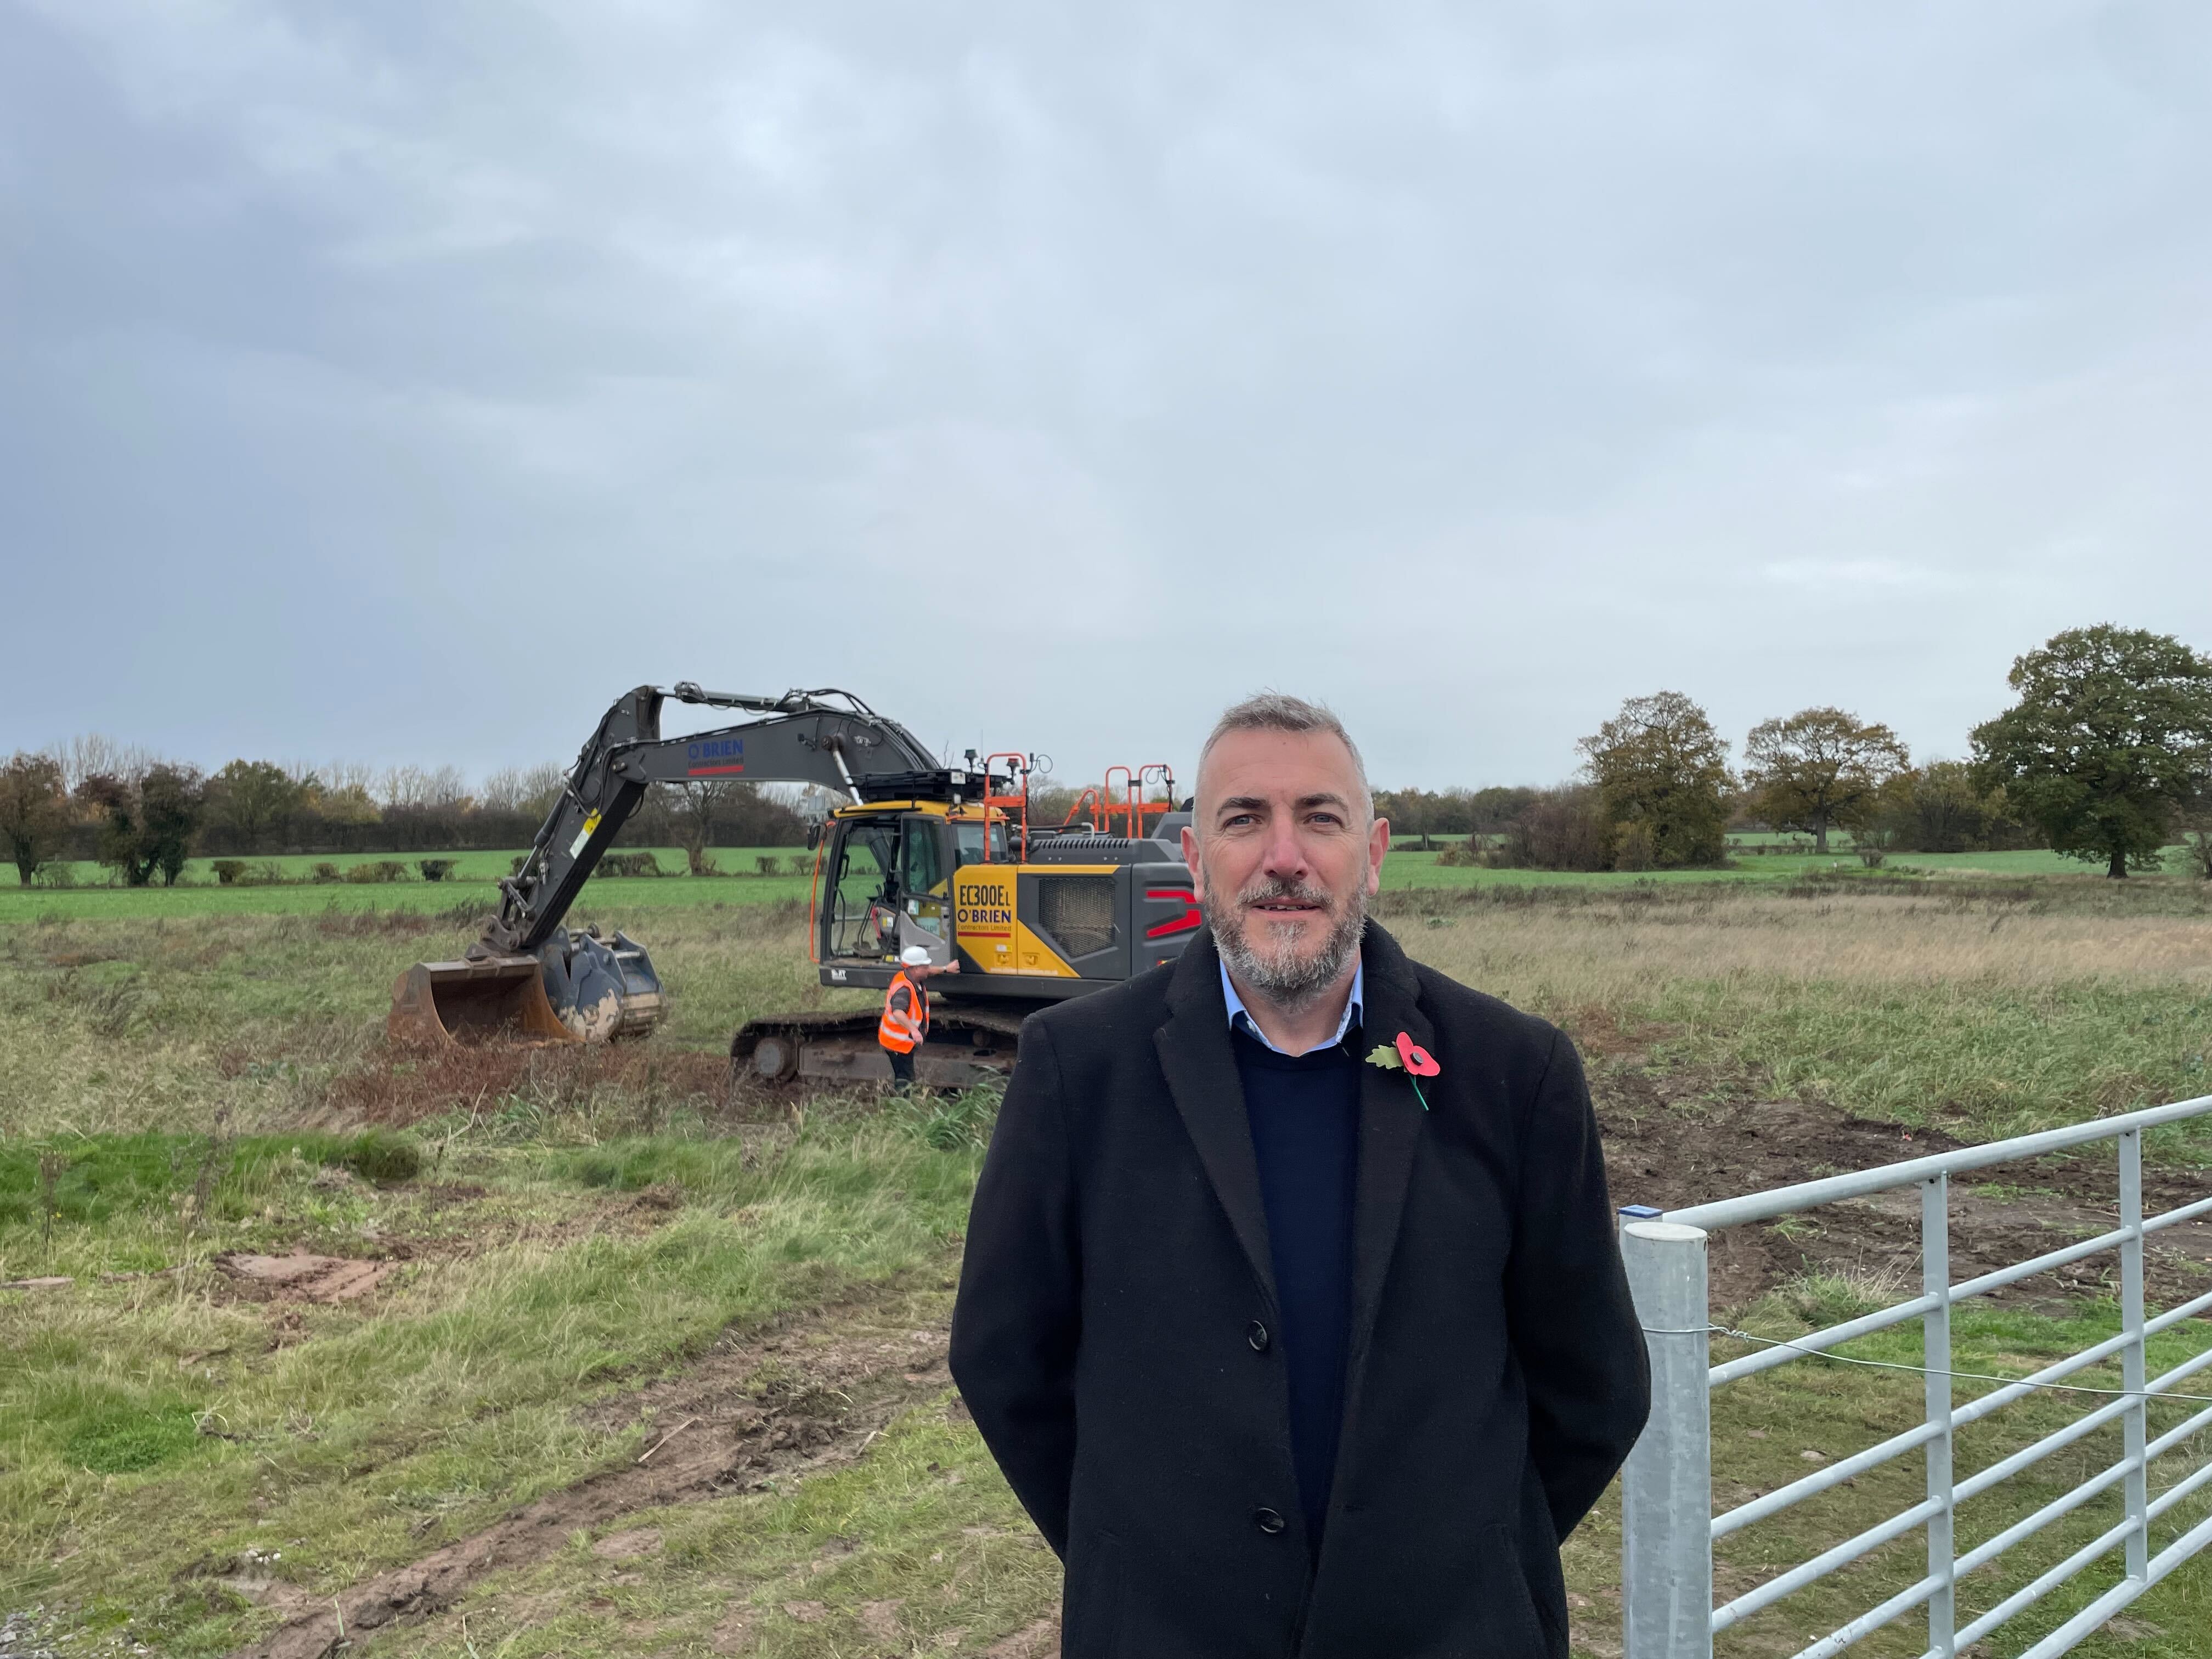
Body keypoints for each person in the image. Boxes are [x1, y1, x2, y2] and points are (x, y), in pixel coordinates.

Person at [949, 694, 1649, 1658]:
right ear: (1194, 859)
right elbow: (1004, 1357)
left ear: (1374, 849)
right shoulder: (1079, 1069)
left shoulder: (1514, 1072)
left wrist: (1463, 1554)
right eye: (1244, 819)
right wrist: (1136, 1558)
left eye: (1320, 816)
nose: (1285, 856)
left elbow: (1595, 1382)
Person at [879, 943, 953, 1088]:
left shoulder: (909, 975)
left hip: (902, 1042)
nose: (928, 970)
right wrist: (914, 1030)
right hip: (898, 1044)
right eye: (925, 967)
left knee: (906, 1075)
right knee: (904, 1078)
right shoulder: (904, 989)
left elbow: (929, 971)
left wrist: (946, 969)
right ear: (915, 968)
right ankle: (902, 1106)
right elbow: (898, 1012)